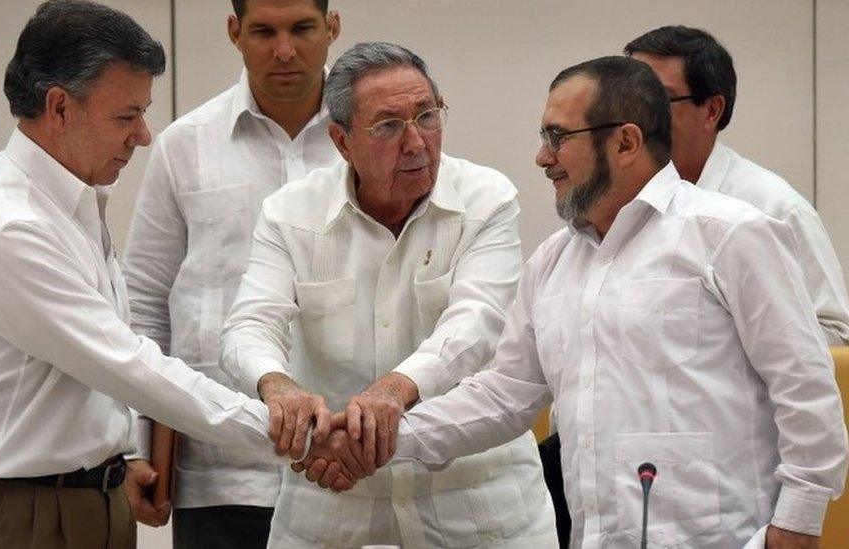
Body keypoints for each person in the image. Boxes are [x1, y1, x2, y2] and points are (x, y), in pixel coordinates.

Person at [301, 56, 848, 548]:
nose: (542, 157)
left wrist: (797, 523)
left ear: (625, 143)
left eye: (558, 136)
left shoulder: (732, 235)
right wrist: (381, 438)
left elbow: (805, 388)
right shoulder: (553, 262)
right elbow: (504, 396)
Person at [0, 2, 344, 548]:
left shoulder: (72, 204)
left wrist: (130, 451)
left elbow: (112, 360)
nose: (143, 137)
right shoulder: (13, 227)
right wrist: (294, 434)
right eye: (126, 116)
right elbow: (129, 364)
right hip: (13, 515)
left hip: (86, 496)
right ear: (60, 108)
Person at [221, 41, 558, 548]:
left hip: (477, 498)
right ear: (341, 141)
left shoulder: (487, 199)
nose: (417, 141)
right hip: (333, 497)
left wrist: (393, 392)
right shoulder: (290, 213)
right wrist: (279, 387)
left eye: (428, 115)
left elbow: (475, 324)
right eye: (388, 125)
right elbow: (250, 324)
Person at [120, 0, 342, 545]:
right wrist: (132, 445)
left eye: (302, 28)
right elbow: (143, 305)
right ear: (234, 32)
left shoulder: (371, 141)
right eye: (264, 31)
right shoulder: (184, 145)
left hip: (345, 464)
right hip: (220, 475)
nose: (284, 50)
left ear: (332, 29)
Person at [625, 25, 849, 345]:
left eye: (657, 99)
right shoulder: (620, 203)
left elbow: (836, 338)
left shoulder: (774, 209)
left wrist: (717, 350)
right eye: (629, 99)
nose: (637, 117)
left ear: (712, 110)